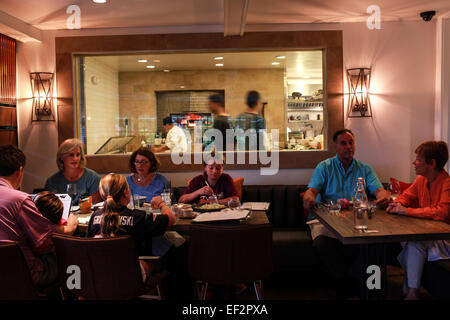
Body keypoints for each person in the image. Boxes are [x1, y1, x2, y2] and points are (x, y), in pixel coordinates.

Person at [302, 129, 391, 296]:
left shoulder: (364, 169)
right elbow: (311, 191)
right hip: (326, 220)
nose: (348, 147)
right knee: (322, 244)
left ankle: (372, 288)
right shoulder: (324, 167)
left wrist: (384, 197)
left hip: (356, 220)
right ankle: (346, 281)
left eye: (351, 143)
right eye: (343, 143)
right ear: (335, 146)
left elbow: (380, 191)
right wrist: (308, 197)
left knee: (374, 244)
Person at [87, 173, 191, 299]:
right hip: (129, 277)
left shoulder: (94, 217)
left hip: (97, 275)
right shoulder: (137, 217)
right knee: (174, 252)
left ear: (102, 193)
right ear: (126, 192)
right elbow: (170, 219)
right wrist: (162, 204)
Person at [0, 145, 78, 290]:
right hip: (24, 274)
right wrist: (72, 223)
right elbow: (52, 232)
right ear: (20, 171)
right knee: (74, 262)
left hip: (4, 277)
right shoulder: (19, 199)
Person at [386, 141, 450, 300]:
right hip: (427, 233)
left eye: (419, 159)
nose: (414, 162)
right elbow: (405, 197)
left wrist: (407, 211)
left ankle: (411, 292)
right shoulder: (421, 180)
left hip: (444, 239)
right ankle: (409, 291)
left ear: (432, 163)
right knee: (408, 241)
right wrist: (398, 204)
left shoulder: (447, 183)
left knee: (413, 243)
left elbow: (442, 213)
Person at [45, 138, 101, 205]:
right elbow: (50, 208)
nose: (75, 159)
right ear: (62, 157)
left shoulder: (93, 178)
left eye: (78, 155)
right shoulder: (52, 182)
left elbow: (96, 206)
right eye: (71, 155)